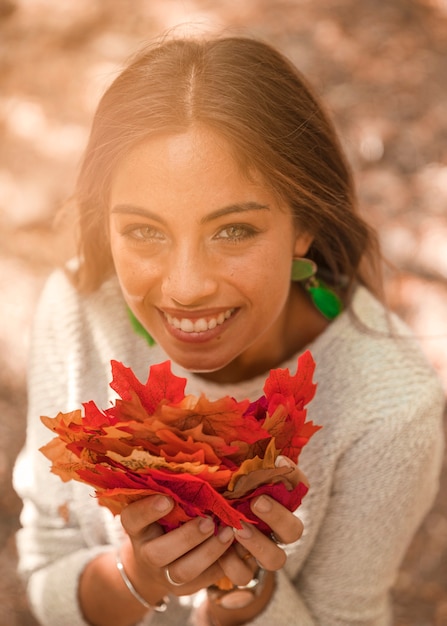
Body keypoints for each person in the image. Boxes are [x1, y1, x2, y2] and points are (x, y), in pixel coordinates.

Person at [13, 32, 445, 626]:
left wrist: (241, 594)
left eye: (234, 231)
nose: (185, 286)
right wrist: (139, 574)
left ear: (305, 225)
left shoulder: (391, 410)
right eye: (144, 231)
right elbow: (44, 579)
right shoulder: (80, 308)